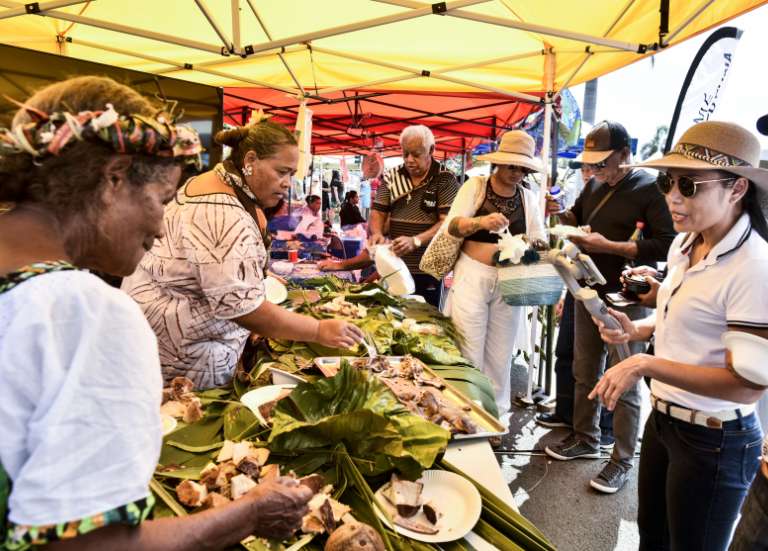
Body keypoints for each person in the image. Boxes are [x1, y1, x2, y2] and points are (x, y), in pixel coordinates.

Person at [0, 76, 312, 551]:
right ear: (115, 178)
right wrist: (248, 513)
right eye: (163, 200)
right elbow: (89, 545)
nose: (163, 229)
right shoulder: (82, 311)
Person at [590, 120, 768, 550]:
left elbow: (747, 387)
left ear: (737, 189)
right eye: (668, 181)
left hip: (715, 438)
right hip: (666, 420)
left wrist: (643, 361)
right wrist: (638, 329)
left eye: (689, 185)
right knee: (651, 538)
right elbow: (685, 318)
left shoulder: (754, 266)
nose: (671, 196)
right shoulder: (686, 244)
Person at [122, 118, 363, 390]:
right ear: (250, 160)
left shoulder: (210, 183)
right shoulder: (221, 212)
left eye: (290, 174)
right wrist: (317, 330)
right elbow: (241, 308)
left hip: (157, 337)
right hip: (182, 358)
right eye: (281, 172)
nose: (286, 184)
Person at [543, 120, 676, 494]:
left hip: (628, 299)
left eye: (603, 163)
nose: (597, 170)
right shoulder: (595, 185)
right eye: (593, 164)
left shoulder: (652, 189)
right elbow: (578, 217)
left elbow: (667, 245)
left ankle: (621, 460)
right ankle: (585, 438)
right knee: (585, 369)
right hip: (586, 289)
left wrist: (613, 248)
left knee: (626, 379)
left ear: (624, 154)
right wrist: (562, 216)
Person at [439, 130, 546, 422]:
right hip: (472, 275)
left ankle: (495, 417)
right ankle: (467, 416)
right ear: (498, 163)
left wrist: (530, 248)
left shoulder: (528, 197)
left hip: (508, 280)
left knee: (501, 355)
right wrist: (480, 222)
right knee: (469, 349)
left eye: (521, 168)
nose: (516, 173)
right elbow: (453, 226)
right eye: (511, 166)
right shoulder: (476, 186)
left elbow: (539, 238)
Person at [536, 162, 616, 449]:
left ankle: (603, 430)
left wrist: (606, 245)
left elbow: (659, 244)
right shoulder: (591, 189)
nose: (589, 171)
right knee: (569, 352)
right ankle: (569, 415)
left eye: (596, 165)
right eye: (585, 166)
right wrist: (559, 211)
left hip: (614, 290)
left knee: (604, 364)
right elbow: (571, 219)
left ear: (621, 156)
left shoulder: (641, 189)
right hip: (578, 280)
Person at [369, 125, 459, 306]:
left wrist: (416, 240)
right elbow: (378, 210)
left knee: (426, 319)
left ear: (431, 150)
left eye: (416, 154)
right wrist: (377, 232)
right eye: (405, 154)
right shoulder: (391, 176)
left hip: (428, 269)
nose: (409, 160)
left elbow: (447, 222)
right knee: (394, 316)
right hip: (394, 266)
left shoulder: (445, 178)